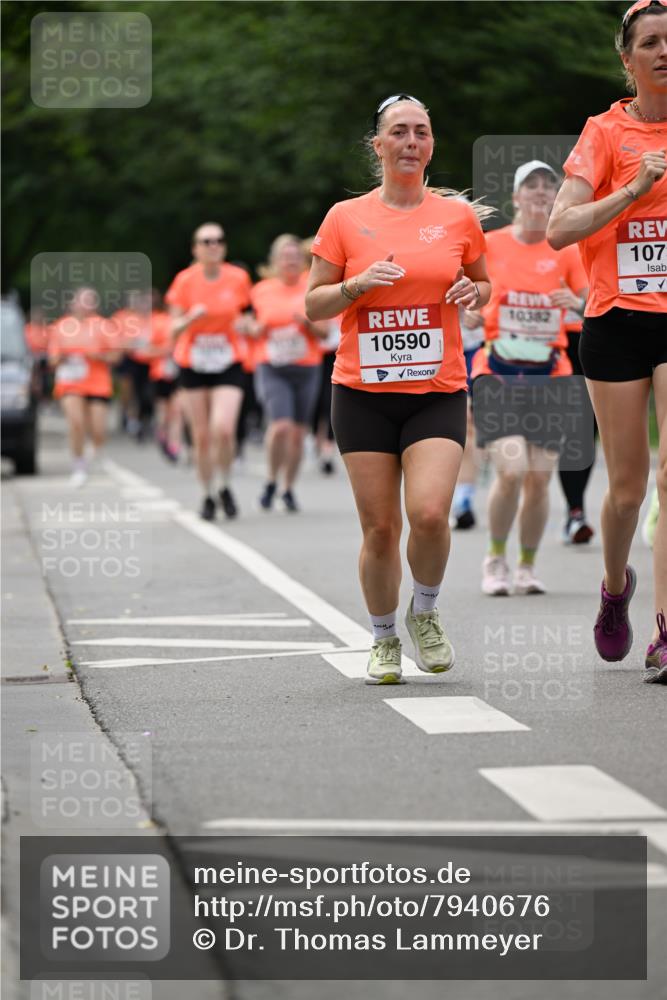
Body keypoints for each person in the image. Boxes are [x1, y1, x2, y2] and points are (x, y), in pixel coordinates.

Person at [306, 93, 490, 684]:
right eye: (400, 133)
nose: (412, 142)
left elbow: (482, 282)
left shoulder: (457, 218)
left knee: (432, 513)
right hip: (362, 393)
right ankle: (383, 637)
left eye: (422, 133)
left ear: (431, 145)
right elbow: (313, 305)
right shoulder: (344, 217)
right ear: (378, 145)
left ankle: (426, 612)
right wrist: (357, 285)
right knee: (381, 528)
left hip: (436, 388)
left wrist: (472, 294)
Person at [547, 0, 666, 683]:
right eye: (647, 42)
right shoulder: (603, 133)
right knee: (625, 489)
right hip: (616, 321)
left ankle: (663, 631)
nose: (661, 52)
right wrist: (631, 191)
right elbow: (560, 230)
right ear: (626, 60)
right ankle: (614, 587)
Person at [471, 161, 588, 596]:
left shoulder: (567, 249)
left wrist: (575, 305)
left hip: (551, 373)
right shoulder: (489, 245)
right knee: (512, 468)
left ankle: (526, 564)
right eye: (531, 186)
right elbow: (468, 296)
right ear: (516, 197)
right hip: (498, 372)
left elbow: (591, 306)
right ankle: (495, 558)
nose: (541, 193)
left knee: (539, 477)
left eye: (548, 187)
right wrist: (469, 314)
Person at [166, 222, 252, 520]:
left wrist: (247, 326)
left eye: (219, 240)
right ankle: (207, 493)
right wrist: (190, 318)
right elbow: (172, 329)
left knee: (224, 429)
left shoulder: (238, 278)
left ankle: (225, 484)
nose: (213, 245)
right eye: (206, 241)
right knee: (201, 436)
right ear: (195, 249)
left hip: (228, 361)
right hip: (193, 362)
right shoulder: (184, 281)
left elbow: (249, 317)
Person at [244, 234, 328, 512]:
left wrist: (307, 323)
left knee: (298, 433)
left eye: (295, 257)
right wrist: (254, 328)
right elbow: (246, 322)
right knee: (281, 426)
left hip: (306, 367)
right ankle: (270, 479)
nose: (290, 262)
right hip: (272, 366)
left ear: (302, 261)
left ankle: (288, 487)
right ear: (275, 261)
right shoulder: (261, 290)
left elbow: (326, 332)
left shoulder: (312, 286)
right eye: (285, 257)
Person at [48, 287, 118, 487]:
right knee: (76, 423)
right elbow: (52, 359)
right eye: (82, 300)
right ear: (73, 303)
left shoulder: (104, 326)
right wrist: (62, 358)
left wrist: (98, 356)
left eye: (90, 301)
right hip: (71, 382)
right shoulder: (61, 326)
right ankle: (78, 465)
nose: (85, 305)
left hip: (97, 383)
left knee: (98, 429)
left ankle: (96, 449)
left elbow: (116, 356)